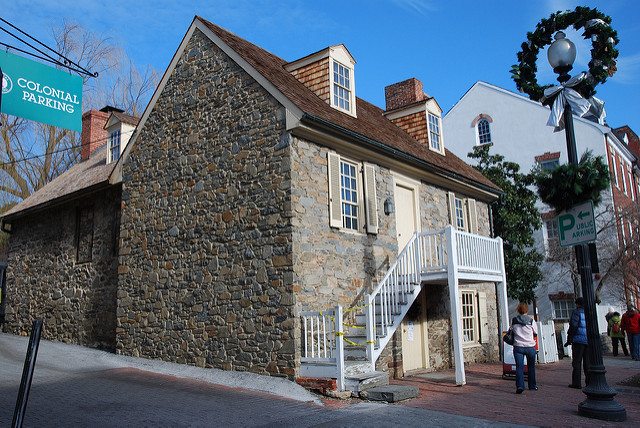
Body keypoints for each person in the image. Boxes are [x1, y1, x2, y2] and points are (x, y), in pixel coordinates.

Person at [511, 302, 538, 394]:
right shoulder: (531, 321)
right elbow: (536, 332)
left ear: (518, 310)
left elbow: (511, 330)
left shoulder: (514, 320)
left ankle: (520, 386)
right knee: (531, 367)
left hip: (518, 346)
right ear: (527, 310)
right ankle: (532, 386)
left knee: (519, 367)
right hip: (530, 346)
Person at [564, 297, 590, 389]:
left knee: (577, 362)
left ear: (577, 304)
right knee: (587, 363)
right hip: (587, 339)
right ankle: (589, 382)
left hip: (578, 339)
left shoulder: (576, 312)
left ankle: (576, 383)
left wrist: (569, 338)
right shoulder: (588, 312)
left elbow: (573, 326)